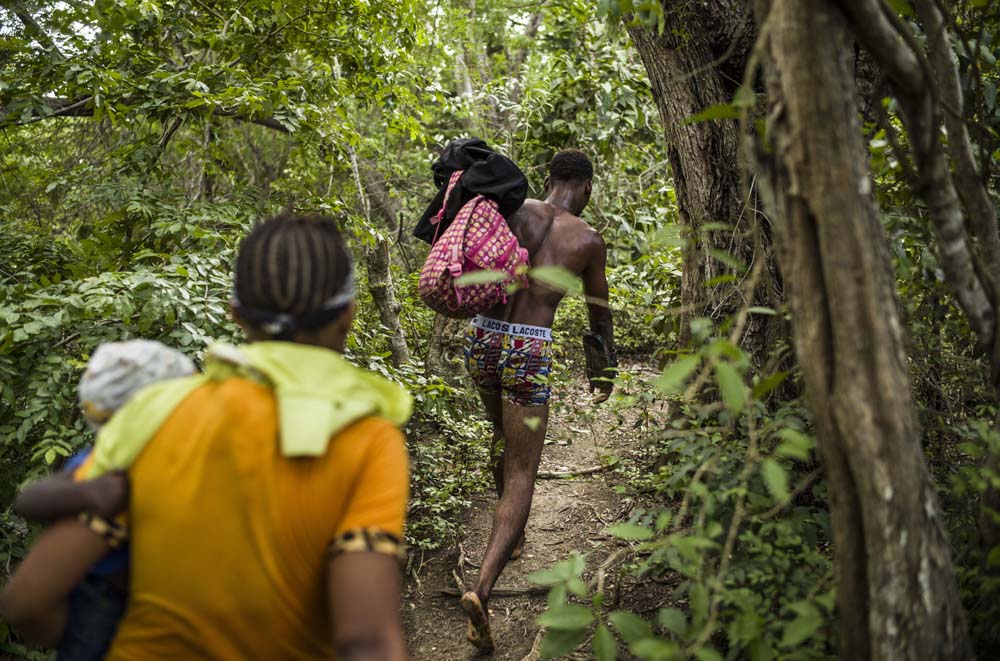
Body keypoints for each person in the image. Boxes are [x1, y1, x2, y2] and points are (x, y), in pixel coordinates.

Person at [1, 213, 413, 660]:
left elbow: (26, 603)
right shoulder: (365, 438)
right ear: (349, 314)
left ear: (235, 313)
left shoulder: (155, 412)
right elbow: (365, 640)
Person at [460, 149, 616, 653]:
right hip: (529, 345)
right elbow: (599, 310)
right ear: (587, 189)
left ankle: (512, 536)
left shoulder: (512, 209)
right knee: (523, 470)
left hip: (482, 338)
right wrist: (603, 367)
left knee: (500, 438)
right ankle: (481, 588)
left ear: (548, 179)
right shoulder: (588, 240)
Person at [2, 340, 195, 661]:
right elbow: (28, 502)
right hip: (111, 606)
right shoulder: (108, 470)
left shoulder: (105, 466)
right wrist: (90, 493)